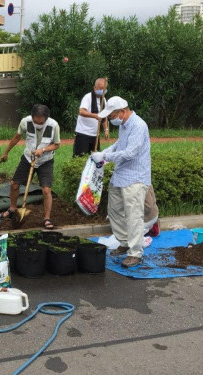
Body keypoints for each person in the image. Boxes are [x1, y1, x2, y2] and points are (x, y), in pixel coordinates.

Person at [92, 96, 151, 268]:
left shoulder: (138, 125)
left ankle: (135, 253)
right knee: (114, 210)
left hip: (135, 177)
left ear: (123, 112)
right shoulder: (124, 125)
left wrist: (105, 157)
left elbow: (131, 152)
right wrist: (106, 153)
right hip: (121, 175)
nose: (111, 119)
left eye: (112, 116)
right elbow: (120, 144)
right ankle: (125, 242)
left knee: (133, 215)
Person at [0, 104, 61, 230]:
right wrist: (6, 152)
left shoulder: (53, 125)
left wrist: (43, 150)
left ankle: (47, 218)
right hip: (28, 158)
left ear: (46, 119)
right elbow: (17, 137)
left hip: (45, 161)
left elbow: (57, 145)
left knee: (46, 190)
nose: (38, 124)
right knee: (14, 185)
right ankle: (12, 209)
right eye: (35, 122)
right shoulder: (25, 122)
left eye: (41, 122)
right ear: (32, 117)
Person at [73, 78, 110, 157]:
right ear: (95, 88)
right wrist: (95, 116)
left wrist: (106, 129)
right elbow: (81, 111)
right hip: (83, 133)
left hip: (95, 134)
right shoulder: (88, 97)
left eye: (104, 89)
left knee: (95, 157)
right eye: (100, 88)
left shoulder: (103, 99)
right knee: (80, 157)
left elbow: (104, 116)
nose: (102, 91)